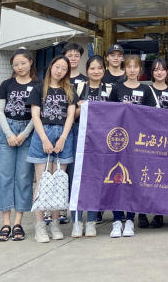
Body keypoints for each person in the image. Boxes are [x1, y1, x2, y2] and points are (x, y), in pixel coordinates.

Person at [26, 55, 76, 243]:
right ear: (51, 67)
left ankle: (55, 223)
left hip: (64, 136)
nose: (60, 71)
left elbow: (70, 116)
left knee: (58, 182)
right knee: (42, 181)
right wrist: (45, 139)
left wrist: (63, 138)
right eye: (57, 67)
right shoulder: (39, 88)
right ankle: (40, 225)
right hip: (43, 134)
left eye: (64, 69)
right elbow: (35, 116)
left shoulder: (69, 90)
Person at [0, 49, 37, 242]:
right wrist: (9, 134)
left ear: (30, 62)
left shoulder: (37, 85)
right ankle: (5, 223)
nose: (20, 67)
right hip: (7, 132)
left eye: (23, 63)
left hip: (27, 133)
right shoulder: (6, 84)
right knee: (4, 177)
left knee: (24, 177)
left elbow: (37, 114)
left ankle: (18, 222)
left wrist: (24, 134)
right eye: (16, 64)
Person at [109, 54, 153, 238]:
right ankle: (117, 220)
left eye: (136, 67)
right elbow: (108, 113)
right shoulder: (117, 88)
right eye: (129, 66)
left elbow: (151, 115)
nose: (132, 70)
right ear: (124, 69)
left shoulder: (146, 89)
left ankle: (130, 220)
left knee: (134, 178)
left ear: (140, 69)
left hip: (138, 142)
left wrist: (136, 110)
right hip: (119, 141)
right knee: (117, 179)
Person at [72, 55, 112, 238]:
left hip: (101, 140)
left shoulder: (110, 89)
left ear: (104, 70)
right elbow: (72, 114)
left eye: (99, 68)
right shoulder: (78, 87)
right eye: (92, 68)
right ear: (87, 70)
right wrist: (80, 107)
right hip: (80, 138)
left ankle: (91, 221)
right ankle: (76, 221)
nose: (96, 71)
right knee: (78, 178)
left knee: (96, 179)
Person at [139, 57, 168, 229]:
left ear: (167, 71)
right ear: (151, 73)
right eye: (156, 69)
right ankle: (142, 213)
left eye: (162, 69)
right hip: (148, 139)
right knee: (145, 175)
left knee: (161, 177)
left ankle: (159, 214)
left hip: (166, 141)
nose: (159, 72)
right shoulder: (145, 90)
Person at [60, 41, 87, 225]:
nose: (73, 58)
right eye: (70, 55)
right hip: (57, 128)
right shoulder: (58, 78)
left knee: (75, 169)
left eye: (76, 55)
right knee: (60, 169)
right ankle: (59, 207)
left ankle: (73, 206)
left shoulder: (86, 80)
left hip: (79, 128)